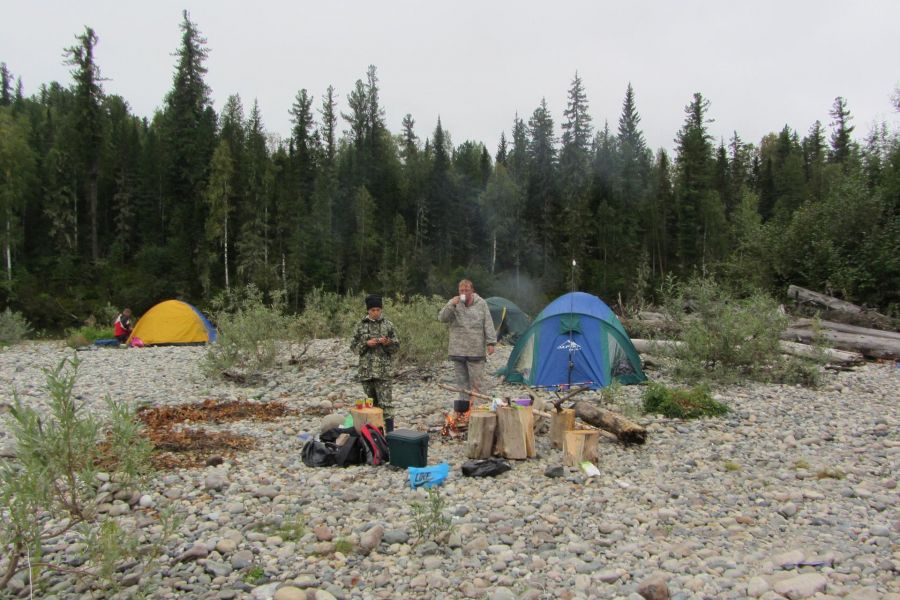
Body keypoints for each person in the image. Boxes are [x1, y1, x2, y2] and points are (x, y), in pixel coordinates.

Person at [438, 279, 496, 415]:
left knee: (478, 384)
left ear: (472, 291)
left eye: (466, 290)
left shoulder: (481, 304)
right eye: (461, 290)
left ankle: (481, 413)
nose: (463, 293)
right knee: (462, 386)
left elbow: (488, 322)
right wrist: (451, 305)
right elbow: (442, 318)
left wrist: (491, 343)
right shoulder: (453, 303)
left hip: (476, 351)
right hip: (457, 350)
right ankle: (464, 414)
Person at [350, 294, 400, 433]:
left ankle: (390, 436)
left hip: (384, 372)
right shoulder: (360, 325)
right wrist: (366, 344)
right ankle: (376, 436)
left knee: (387, 406)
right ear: (368, 310)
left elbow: (396, 347)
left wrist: (387, 342)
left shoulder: (388, 325)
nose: (376, 312)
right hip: (367, 372)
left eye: (378, 309)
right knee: (371, 406)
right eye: (373, 310)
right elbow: (353, 347)